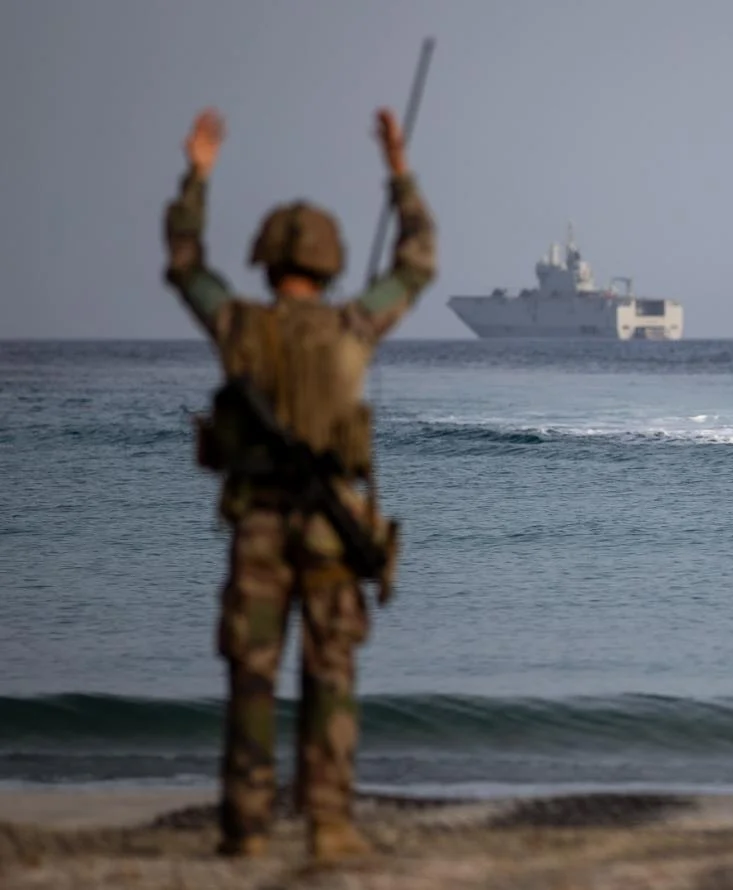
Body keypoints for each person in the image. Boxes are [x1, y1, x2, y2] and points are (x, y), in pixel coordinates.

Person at [162, 106, 436, 860]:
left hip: (257, 528)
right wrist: (400, 171)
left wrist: (198, 173)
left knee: (250, 685)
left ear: (265, 260)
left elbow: (186, 267)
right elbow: (415, 265)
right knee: (331, 680)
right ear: (330, 260)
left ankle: (245, 831)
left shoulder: (241, 327)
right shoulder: (354, 328)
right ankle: (331, 825)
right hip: (329, 533)